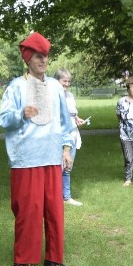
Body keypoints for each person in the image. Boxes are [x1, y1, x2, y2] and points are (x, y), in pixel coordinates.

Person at [0, 32, 75, 266]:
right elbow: (3, 119)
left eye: (46, 56)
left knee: (54, 210)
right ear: (28, 59)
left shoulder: (55, 86)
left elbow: (65, 121)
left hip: (52, 157)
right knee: (28, 210)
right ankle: (23, 259)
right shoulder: (16, 87)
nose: (43, 60)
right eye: (38, 56)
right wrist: (21, 113)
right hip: (26, 158)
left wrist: (65, 149)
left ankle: (54, 259)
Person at [54, 68, 86, 207]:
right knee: (58, 168)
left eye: (68, 81)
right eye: (64, 81)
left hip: (73, 134)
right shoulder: (54, 96)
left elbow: (72, 114)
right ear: (56, 81)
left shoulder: (70, 96)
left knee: (68, 167)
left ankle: (66, 197)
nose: (66, 84)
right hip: (60, 135)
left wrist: (78, 119)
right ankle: (54, 198)